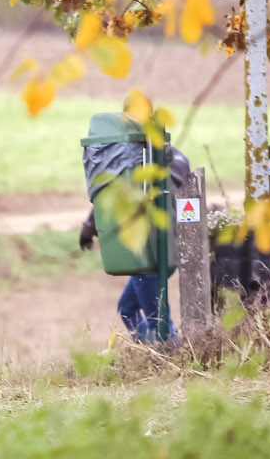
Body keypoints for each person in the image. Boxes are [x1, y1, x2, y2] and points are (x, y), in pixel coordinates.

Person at [78, 95, 193, 343]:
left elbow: (113, 197)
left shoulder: (138, 160)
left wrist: (88, 229)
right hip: (166, 249)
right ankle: (148, 350)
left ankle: (168, 351)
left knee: (160, 322)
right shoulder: (175, 156)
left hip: (146, 253)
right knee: (127, 309)